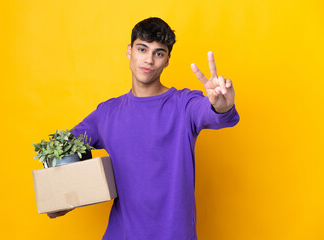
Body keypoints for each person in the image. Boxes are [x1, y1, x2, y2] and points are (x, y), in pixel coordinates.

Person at [48, 17, 240, 240]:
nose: (149, 59)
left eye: (158, 53)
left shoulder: (184, 104)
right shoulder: (107, 113)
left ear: (167, 60)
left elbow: (211, 112)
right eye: (142, 49)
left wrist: (221, 106)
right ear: (130, 51)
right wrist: (60, 197)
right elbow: (61, 147)